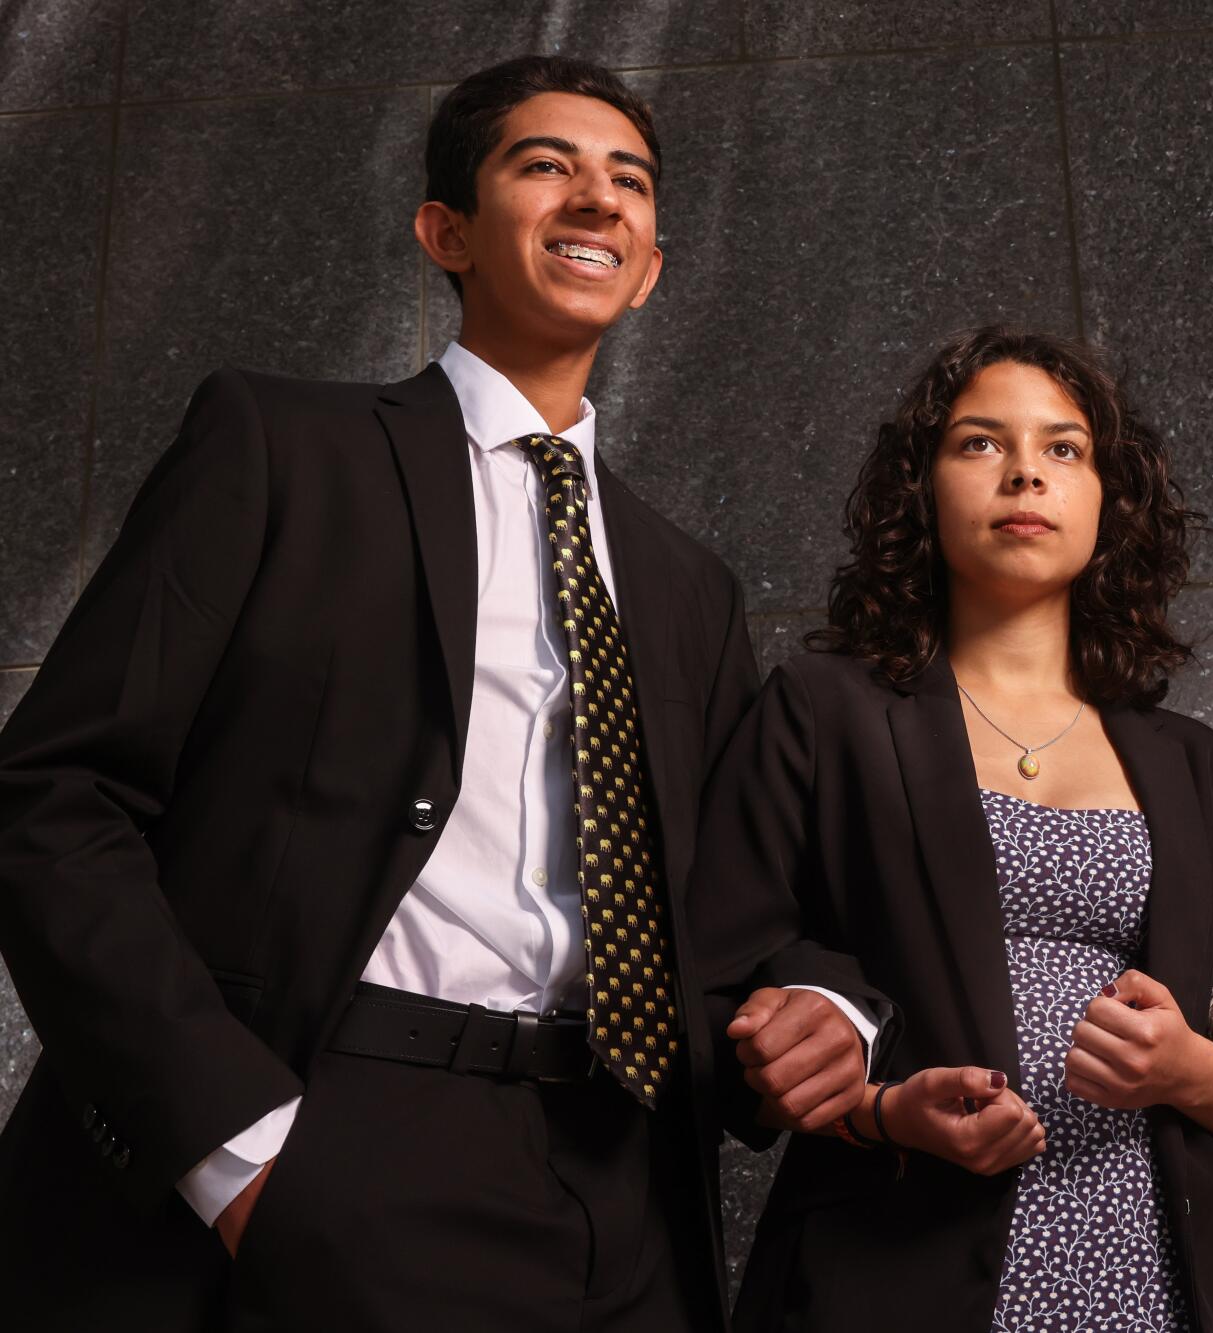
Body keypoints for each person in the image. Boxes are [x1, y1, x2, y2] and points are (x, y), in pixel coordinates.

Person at [0, 55, 878, 1332]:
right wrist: (232, 1146)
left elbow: (744, 902)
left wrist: (835, 1004)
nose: (596, 201)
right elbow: (51, 793)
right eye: (546, 167)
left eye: (627, 183)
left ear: (650, 267)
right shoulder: (278, 448)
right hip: (333, 1121)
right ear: (444, 232)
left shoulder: (691, 588)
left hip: (622, 1181)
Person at [688, 327, 1213, 1332]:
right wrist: (879, 1110)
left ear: (1107, 504)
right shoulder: (822, 712)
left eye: (1063, 449)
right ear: (922, 490)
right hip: (892, 1262)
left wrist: (1186, 1066)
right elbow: (723, 1009)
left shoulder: (1195, 764)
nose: (1025, 470)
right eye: (979, 443)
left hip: (1169, 1276)